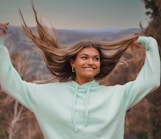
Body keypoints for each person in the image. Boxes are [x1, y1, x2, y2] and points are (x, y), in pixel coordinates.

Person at [0, 5, 160, 139]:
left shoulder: (118, 96)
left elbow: (151, 81)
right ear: (72, 63)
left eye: (96, 59)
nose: (91, 62)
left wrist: (149, 43)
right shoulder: (47, 94)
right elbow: (11, 84)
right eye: (84, 57)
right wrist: (0, 45)